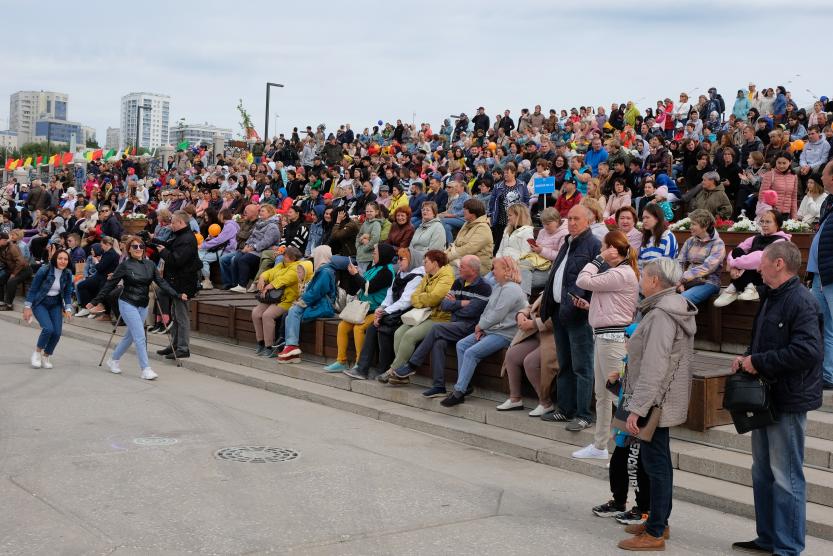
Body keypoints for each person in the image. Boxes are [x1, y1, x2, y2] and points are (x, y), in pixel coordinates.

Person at [730, 241, 823, 556]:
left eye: (763, 262)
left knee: (786, 475)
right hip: (766, 398)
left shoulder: (802, 300)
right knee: (763, 472)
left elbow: (809, 351)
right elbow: (759, 341)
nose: (758, 267)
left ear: (779, 263)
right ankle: (768, 537)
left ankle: (788, 546)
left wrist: (760, 361)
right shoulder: (771, 297)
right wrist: (746, 358)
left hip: (789, 400)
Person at [617, 258, 696, 552]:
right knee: (657, 462)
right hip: (657, 397)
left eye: (643, 275)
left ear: (653, 281)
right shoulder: (665, 308)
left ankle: (655, 531)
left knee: (656, 464)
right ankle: (659, 523)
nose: (640, 280)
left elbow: (654, 365)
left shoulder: (662, 314)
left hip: (655, 400)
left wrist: (638, 407)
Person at [572, 231, 639, 460]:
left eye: (604, 247)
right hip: (603, 336)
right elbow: (611, 304)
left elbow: (582, 280)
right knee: (601, 393)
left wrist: (597, 260)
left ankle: (626, 444)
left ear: (614, 248)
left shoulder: (622, 273)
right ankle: (600, 445)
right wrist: (589, 307)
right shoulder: (616, 273)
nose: (601, 250)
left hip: (614, 339)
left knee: (617, 393)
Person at [386, 254, 491, 396]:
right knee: (438, 343)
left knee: (436, 328)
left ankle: (412, 365)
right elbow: (444, 305)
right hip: (455, 323)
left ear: (473, 270)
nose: (459, 268)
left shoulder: (484, 287)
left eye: (462, 266)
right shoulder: (458, 282)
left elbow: (472, 312)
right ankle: (439, 386)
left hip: (470, 327)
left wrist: (455, 304)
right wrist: (460, 304)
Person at [541, 205, 601, 429]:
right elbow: (558, 275)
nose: (572, 222)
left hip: (578, 314)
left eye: (577, 218)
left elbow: (595, 281)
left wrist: (583, 305)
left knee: (582, 366)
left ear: (588, 220)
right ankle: (565, 410)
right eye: (569, 218)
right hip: (559, 312)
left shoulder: (594, 244)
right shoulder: (567, 242)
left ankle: (584, 414)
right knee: (565, 363)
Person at [439, 257, 528, 407]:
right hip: (491, 330)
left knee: (471, 353)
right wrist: (483, 327)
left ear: (506, 270)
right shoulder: (500, 287)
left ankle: (458, 391)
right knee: (461, 345)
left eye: (496, 268)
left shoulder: (512, 289)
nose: (493, 271)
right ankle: (465, 386)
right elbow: (488, 310)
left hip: (505, 334)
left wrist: (481, 327)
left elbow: (497, 314)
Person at [89, 236, 180, 380]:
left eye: (141, 246)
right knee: (140, 336)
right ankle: (145, 369)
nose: (138, 249)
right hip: (127, 303)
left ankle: (113, 359)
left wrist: (177, 295)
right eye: (135, 247)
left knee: (130, 337)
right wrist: (95, 301)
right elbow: (110, 284)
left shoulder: (150, 265)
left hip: (142, 304)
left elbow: (161, 282)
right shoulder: (125, 265)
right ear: (129, 250)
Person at [345, 247, 425, 380]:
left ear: (412, 260)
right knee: (372, 328)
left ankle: (383, 368)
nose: (398, 262)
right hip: (392, 311)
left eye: (402, 259)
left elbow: (405, 301)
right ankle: (362, 368)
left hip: (405, 314)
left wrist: (384, 313)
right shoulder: (400, 273)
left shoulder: (417, 277)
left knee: (383, 329)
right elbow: (389, 294)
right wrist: (381, 309)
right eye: (398, 258)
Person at [377, 249, 454, 378]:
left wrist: (422, 299)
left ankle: (394, 370)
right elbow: (414, 297)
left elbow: (435, 297)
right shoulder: (427, 275)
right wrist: (424, 299)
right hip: (424, 315)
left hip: (438, 317)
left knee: (409, 336)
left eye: (426, 262)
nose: (423, 264)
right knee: (399, 332)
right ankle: (402, 373)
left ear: (435, 263)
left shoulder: (447, 276)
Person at [324, 244, 395, 372]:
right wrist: (353, 274)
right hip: (363, 308)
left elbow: (370, 288)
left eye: (376, 251)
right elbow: (358, 287)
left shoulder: (387, 272)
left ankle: (359, 363)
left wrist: (356, 274)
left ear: (383, 254)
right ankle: (341, 361)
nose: (373, 253)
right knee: (342, 326)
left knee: (359, 328)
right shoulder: (373, 267)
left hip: (378, 310)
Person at [497, 291, 558, 416]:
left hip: (555, 339)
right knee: (512, 355)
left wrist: (533, 323)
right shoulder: (550, 286)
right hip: (537, 335)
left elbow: (559, 319)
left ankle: (545, 403)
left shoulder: (564, 288)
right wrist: (521, 313)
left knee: (530, 361)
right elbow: (532, 307)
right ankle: (515, 399)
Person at [714, 210, 790, 307]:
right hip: (749, 275)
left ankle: (739, 286)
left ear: (777, 224)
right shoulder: (756, 238)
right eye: (762, 221)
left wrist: (733, 264)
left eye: (768, 222)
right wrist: (733, 267)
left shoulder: (781, 240)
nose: (764, 224)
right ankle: (744, 286)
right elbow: (735, 251)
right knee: (738, 251)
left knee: (753, 261)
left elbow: (760, 258)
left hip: (765, 279)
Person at [275, 245, 337, 363]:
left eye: (315, 256)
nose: (314, 260)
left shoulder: (325, 271)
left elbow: (317, 292)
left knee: (293, 311)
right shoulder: (323, 270)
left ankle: (291, 346)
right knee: (291, 313)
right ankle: (292, 351)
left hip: (322, 305)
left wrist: (302, 301)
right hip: (317, 303)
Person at [155, 210, 201, 360]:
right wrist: (154, 241)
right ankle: (175, 345)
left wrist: (163, 253)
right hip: (177, 282)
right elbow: (170, 247)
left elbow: (177, 260)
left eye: (173, 222)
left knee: (181, 317)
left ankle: (183, 347)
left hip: (183, 284)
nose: (171, 225)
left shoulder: (187, 239)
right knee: (175, 315)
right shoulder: (181, 236)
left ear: (181, 223)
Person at [22, 249, 74, 369]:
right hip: (40, 302)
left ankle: (46, 356)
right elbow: (33, 289)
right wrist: (27, 307)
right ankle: (37, 353)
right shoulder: (44, 270)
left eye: (65, 259)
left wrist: (68, 309)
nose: (63, 261)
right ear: (55, 258)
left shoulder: (67, 273)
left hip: (56, 304)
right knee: (48, 328)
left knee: (57, 332)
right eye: (60, 258)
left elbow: (67, 294)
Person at [250, 246, 304, 357]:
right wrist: (262, 278)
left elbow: (285, 279)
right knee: (255, 313)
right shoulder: (281, 265)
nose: (282, 256)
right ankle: (261, 343)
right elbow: (269, 272)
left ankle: (269, 346)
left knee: (267, 315)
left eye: (284, 255)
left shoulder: (297, 268)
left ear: (291, 257)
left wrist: (270, 285)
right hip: (272, 297)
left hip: (286, 300)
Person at [809, 159, 833, 390]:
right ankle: (827, 375)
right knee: (818, 322)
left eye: (824, 175)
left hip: (830, 273)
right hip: (819, 273)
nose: (820, 179)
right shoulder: (828, 201)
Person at [676, 209, 726, 306]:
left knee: (682, 300)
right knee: (662, 297)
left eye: (694, 224)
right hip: (687, 281)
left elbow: (707, 268)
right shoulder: (690, 241)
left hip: (708, 282)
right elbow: (680, 262)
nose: (690, 227)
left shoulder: (718, 243)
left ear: (705, 226)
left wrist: (682, 279)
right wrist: (679, 281)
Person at [229, 205, 281, 292]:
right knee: (236, 258)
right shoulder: (259, 223)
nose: (260, 212)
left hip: (263, 251)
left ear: (270, 213)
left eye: (263, 211)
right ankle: (236, 284)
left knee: (244, 260)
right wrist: (247, 245)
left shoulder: (273, 226)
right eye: (260, 211)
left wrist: (253, 247)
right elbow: (251, 236)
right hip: (252, 249)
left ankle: (242, 285)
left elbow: (266, 242)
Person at [520, 207, 568, 296]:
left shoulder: (565, 234)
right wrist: (534, 247)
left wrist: (542, 250)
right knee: (520, 276)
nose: (545, 226)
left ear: (557, 220)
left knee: (521, 280)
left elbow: (560, 256)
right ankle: (523, 303)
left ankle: (523, 303)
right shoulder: (542, 231)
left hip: (550, 269)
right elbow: (537, 248)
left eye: (548, 224)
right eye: (543, 224)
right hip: (536, 265)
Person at [445, 198, 494, 276]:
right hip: (461, 260)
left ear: (473, 212)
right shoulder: (467, 223)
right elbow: (455, 243)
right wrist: (443, 255)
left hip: (477, 266)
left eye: (465, 209)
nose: (463, 211)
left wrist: (448, 257)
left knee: (445, 274)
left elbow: (469, 249)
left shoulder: (483, 228)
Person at [73, 236, 119, 316]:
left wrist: (96, 261)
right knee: (82, 285)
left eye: (102, 245)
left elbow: (100, 267)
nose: (101, 247)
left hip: (104, 278)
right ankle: (87, 307)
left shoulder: (110, 253)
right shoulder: (109, 253)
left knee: (82, 285)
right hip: (100, 277)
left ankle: (89, 307)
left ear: (107, 244)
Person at [198, 209, 238, 290]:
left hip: (226, 250)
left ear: (223, 215)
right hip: (223, 248)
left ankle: (207, 280)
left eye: (219, 215)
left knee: (202, 259)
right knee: (202, 255)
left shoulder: (229, 226)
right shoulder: (229, 225)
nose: (218, 217)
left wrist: (203, 245)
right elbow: (221, 238)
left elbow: (219, 240)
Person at [0, 231, 34, 311]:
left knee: (11, 281)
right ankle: (1, 301)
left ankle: (9, 305)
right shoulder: (1, 248)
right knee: (1, 278)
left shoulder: (13, 247)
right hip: (12, 268)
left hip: (24, 269)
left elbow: (21, 262)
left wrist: (14, 274)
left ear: (4, 240)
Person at [637, 204, 677, 270]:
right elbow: (640, 263)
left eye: (647, 217)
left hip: (662, 277)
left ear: (657, 218)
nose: (644, 221)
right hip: (644, 276)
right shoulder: (646, 238)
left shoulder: (668, 236)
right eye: (643, 218)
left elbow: (667, 266)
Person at [355, 202, 384, 272]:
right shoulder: (365, 223)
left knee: (364, 277)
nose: (368, 213)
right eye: (367, 211)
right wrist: (358, 246)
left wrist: (365, 248)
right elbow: (359, 235)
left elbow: (375, 239)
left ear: (376, 212)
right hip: (360, 256)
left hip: (368, 257)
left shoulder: (376, 224)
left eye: (371, 211)